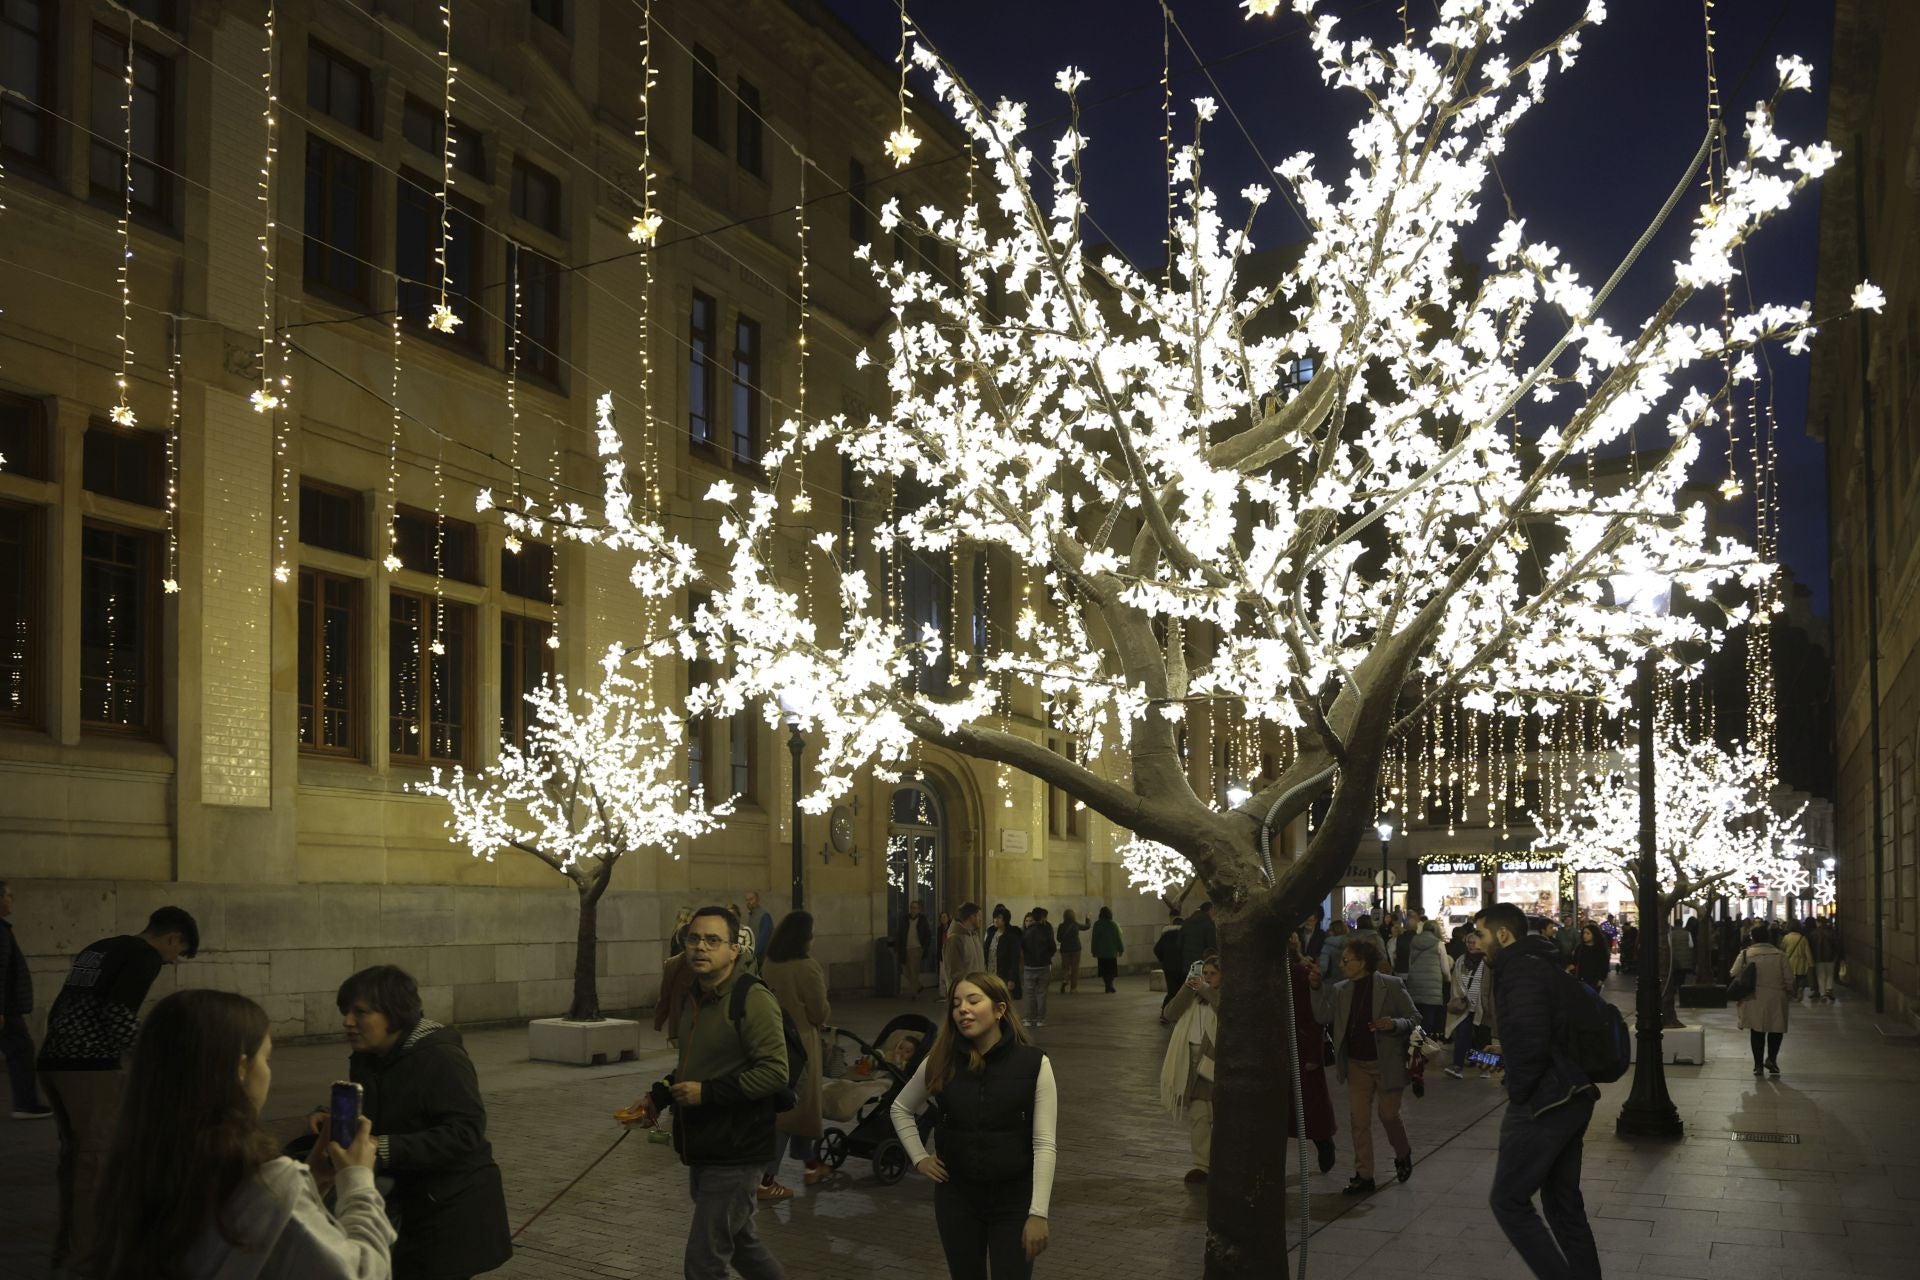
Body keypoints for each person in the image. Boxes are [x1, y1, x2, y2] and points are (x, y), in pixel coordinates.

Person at [91, 988, 395, 1280]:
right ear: (240, 1067)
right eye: (266, 1058)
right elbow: (362, 1273)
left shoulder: (143, 1160)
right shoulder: (261, 1180)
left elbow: (249, 1232)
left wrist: (313, 1180)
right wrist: (357, 1181)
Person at [39, 904, 200, 1275]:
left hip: (54, 1062)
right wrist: (157, 1055)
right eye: (179, 951)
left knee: (75, 1164)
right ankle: (84, 1263)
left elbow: (64, 1004)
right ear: (172, 937)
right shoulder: (145, 957)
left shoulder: (101, 947)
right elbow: (117, 1016)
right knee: (96, 1168)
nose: (174, 961)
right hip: (89, 1069)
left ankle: (66, 1254)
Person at [631, 905, 788, 1280]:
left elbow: (776, 1072)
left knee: (704, 1261)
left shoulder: (751, 998)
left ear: (734, 949)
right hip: (703, 1140)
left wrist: (708, 1093)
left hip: (737, 1147)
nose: (701, 947)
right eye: (694, 939)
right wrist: (660, 1094)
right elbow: (695, 1065)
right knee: (742, 1245)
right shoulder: (694, 996)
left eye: (713, 940)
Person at [325, 966, 511, 1280]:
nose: (348, 1022)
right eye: (346, 1012)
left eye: (360, 1012)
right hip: (406, 1205)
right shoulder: (368, 1056)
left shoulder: (440, 1056)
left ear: (395, 1013)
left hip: (450, 1210)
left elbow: (465, 1131)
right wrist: (329, 1115)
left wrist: (382, 1147)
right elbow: (379, 1109)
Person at [891, 972, 1055, 1278]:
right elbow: (900, 1108)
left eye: (973, 1000)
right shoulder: (940, 1059)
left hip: (1014, 1201)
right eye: (956, 1003)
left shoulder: (1034, 1064)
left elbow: (1044, 1143)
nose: (962, 1009)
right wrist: (920, 1158)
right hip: (957, 1199)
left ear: (999, 1009)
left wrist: (1038, 1213)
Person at [1476, 902, 1601, 1280]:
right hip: (1572, 1093)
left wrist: (1519, 1089)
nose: (1476, 942)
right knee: (1563, 1206)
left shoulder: (1519, 971)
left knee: (1508, 1201)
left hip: (1546, 1098)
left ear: (1502, 934)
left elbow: (1531, 1040)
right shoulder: (1539, 964)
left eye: (1481, 934)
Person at [1310, 937, 1416, 1195]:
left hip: (1387, 1062)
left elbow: (1414, 1019)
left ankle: (1402, 1152)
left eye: (1347, 960)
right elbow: (1322, 1017)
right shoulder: (1340, 989)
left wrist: (1394, 1024)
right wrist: (1315, 988)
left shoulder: (1391, 985)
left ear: (1363, 962)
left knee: (1389, 1115)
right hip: (1357, 1064)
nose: (1342, 964)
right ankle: (1364, 1174)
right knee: (1359, 1120)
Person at [761, 911, 832, 1195]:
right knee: (790, 1110)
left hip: (771, 1037)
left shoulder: (769, 963)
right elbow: (818, 1010)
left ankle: (812, 1165)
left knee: (801, 1110)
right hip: (801, 1042)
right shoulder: (807, 967)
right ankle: (765, 1179)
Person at [1161, 954, 1221, 1184]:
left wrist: (1206, 989)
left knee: (1217, 1114)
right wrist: (1188, 987)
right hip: (1192, 1064)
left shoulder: (1220, 995)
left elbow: (1224, 1009)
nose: (1206, 978)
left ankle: (1220, 1161)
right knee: (1199, 1116)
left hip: (1215, 1062)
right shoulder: (1194, 997)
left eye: (1212, 974)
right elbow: (1169, 1013)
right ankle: (1202, 1165)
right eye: (1204, 973)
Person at [1283, 934, 1339, 1172]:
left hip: (1301, 1050)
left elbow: (1314, 1018)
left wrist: (1314, 1054)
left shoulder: (1299, 974)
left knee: (1311, 1106)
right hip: (1281, 1051)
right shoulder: (1277, 974)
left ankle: (1324, 1145)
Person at [0, 879, 52, 1119]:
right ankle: (25, 1103)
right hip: (7, 1009)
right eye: (8, 895)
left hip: (8, 1008)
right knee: (22, 1050)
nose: (12, 900)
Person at [1730, 923, 1794, 1076]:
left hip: (1753, 997)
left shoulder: (1745, 954)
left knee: (1756, 1031)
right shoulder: (1780, 955)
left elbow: (1733, 972)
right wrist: (1790, 992)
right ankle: (1772, 1059)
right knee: (1775, 1030)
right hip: (1776, 997)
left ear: (1753, 938)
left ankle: (1758, 1065)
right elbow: (1789, 979)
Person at [1443, 930, 1489, 1079]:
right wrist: (1460, 996)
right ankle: (1457, 1066)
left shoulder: (1487, 961)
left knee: (1483, 1039)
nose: (1470, 945)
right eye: (1468, 942)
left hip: (1482, 1006)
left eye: (1473, 942)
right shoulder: (1461, 960)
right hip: (1465, 1006)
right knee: (1462, 1035)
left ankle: (1485, 1068)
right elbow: (1456, 981)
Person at [1406, 918, 1447, 1036]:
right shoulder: (1439, 943)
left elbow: (1410, 962)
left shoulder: (1414, 941)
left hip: (1415, 983)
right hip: (1432, 987)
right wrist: (1447, 979)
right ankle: (1424, 1047)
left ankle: (1414, 1046)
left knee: (1416, 1018)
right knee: (1428, 1019)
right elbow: (1444, 967)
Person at [1020, 908, 1057, 1028]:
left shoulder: (1026, 931)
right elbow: (1053, 947)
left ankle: (1028, 1019)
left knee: (1029, 993)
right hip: (1043, 966)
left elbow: (1022, 947)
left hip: (1029, 966)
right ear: (1042, 917)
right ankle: (1040, 1019)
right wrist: (1047, 957)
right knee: (1041, 993)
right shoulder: (1046, 931)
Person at [895, 900, 934, 999]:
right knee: (905, 971)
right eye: (912, 907)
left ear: (919, 909)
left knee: (913, 971)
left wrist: (924, 947)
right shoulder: (905, 919)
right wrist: (897, 947)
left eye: (915, 908)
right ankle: (918, 986)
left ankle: (914, 994)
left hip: (916, 948)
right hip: (905, 948)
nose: (913, 910)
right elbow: (900, 933)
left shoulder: (922, 920)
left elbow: (927, 935)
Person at [985, 905, 1024, 1001]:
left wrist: (1012, 978)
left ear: (1005, 920)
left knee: (1003, 1001)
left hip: (1004, 974)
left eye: (999, 918)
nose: (996, 920)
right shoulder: (991, 933)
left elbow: (1014, 959)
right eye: (995, 917)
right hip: (991, 973)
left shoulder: (1011, 936)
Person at [945, 903, 987, 986]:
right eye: (979, 916)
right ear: (971, 917)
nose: (981, 919)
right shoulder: (955, 939)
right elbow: (954, 973)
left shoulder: (974, 936)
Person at [1154, 910, 1184, 1014]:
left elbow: (1157, 949)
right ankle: (1171, 1012)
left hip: (1168, 967)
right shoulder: (1184, 935)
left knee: (1172, 990)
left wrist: (1164, 959)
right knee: (1180, 990)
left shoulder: (1166, 935)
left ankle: (1165, 1011)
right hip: (1182, 967)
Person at [1089, 907, 1124, 994]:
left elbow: (1094, 939)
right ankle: (1110, 984)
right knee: (1111, 970)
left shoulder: (1097, 924)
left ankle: (1107, 985)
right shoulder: (1114, 924)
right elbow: (1118, 938)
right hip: (1111, 952)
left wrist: (1093, 950)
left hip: (1101, 952)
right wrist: (1121, 949)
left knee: (1104, 970)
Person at [1178, 902, 1217, 975]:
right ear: (1210, 910)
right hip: (1202, 963)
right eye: (1213, 910)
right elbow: (1211, 946)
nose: (1214, 913)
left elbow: (1179, 944)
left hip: (1187, 963)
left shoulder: (1186, 922)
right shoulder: (1208, 924)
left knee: (1191, 984)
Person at [1778, 921, 1812, 1002]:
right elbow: (1807, 952)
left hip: (1790, 960)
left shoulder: (1786, 937)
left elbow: (1782, 949)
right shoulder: (1802, 938)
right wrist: (1811, 963)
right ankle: (1800, 988)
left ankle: (1794, 994)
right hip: (1801, 961)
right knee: (1801, 977)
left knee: (1791, 978)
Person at [1809, 918, 1839, 1001]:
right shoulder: (1831, 932)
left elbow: (1811, 946)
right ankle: (1829, 989)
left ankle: (1822, 994)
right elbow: (1836, 945)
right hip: (1830, 957)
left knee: (1821, 976)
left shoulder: (1814, 933)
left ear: (1819, 923)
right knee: (1830, 974)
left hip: (1818, 957)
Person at [743, 892, 775, 972]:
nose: (749, 902)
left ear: (757, 900)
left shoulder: (764, 916)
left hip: (761, 959)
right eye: (747, 900)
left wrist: (752, 955)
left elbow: (763, 939)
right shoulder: (752, 916)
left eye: (751, 899)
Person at [1055, 910, 1084, 995]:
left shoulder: (1061, 926)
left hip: (1065, 950)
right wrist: (1088, 919)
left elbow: (1058, 939)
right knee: (1075, 969)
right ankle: (1073, 988)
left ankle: (1065, 980)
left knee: (1065, 967)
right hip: (1076, 949)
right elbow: (1086, 926)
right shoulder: (1076, 925)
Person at [936, 910, 954, 992]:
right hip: (942, 953)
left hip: (950, 953)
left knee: (950, 974)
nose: (943, 919)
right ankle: (943, 993)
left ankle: (950, 992)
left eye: (944, 917)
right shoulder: (940, 929)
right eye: (941, 917)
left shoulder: (952, 928)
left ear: (948, 918)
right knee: (942, 975)